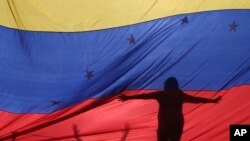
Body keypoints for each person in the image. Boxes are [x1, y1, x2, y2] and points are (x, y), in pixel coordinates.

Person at [119, 77, 221, 141]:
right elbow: (197, 100)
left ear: (166, 85)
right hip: (174, 125)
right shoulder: (178, 95)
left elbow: (144, 96)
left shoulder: (163, 94)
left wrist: (128, 98)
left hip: (167, 126)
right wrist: (212, 100)